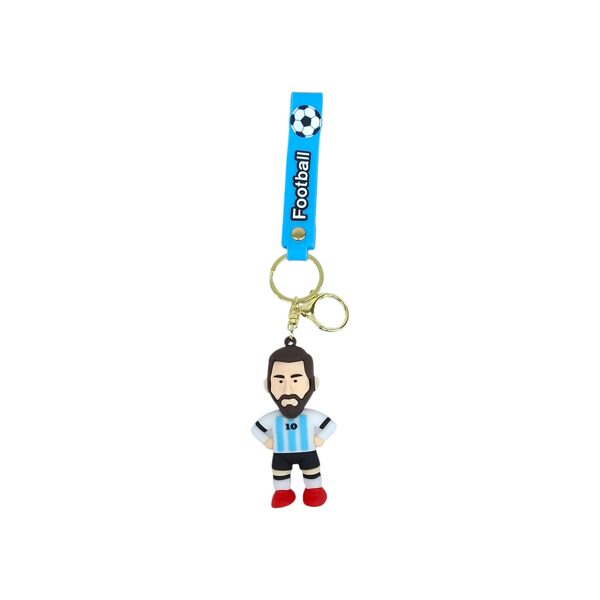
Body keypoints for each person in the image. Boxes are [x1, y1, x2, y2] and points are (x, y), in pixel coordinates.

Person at [251, 338, 336, 508]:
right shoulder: (273, 417)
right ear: (267, 385)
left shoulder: (311, 416)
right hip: (280, 455)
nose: (287, 390)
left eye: (296, 380)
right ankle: (282, 493)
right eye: (280, 381)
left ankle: (314, 490)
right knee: (280, 476)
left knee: (312, 474)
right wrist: (267, 442)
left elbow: (331, 425)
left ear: (313, 384)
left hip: (308, 454)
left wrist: (321, 438)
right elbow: (256, 429)